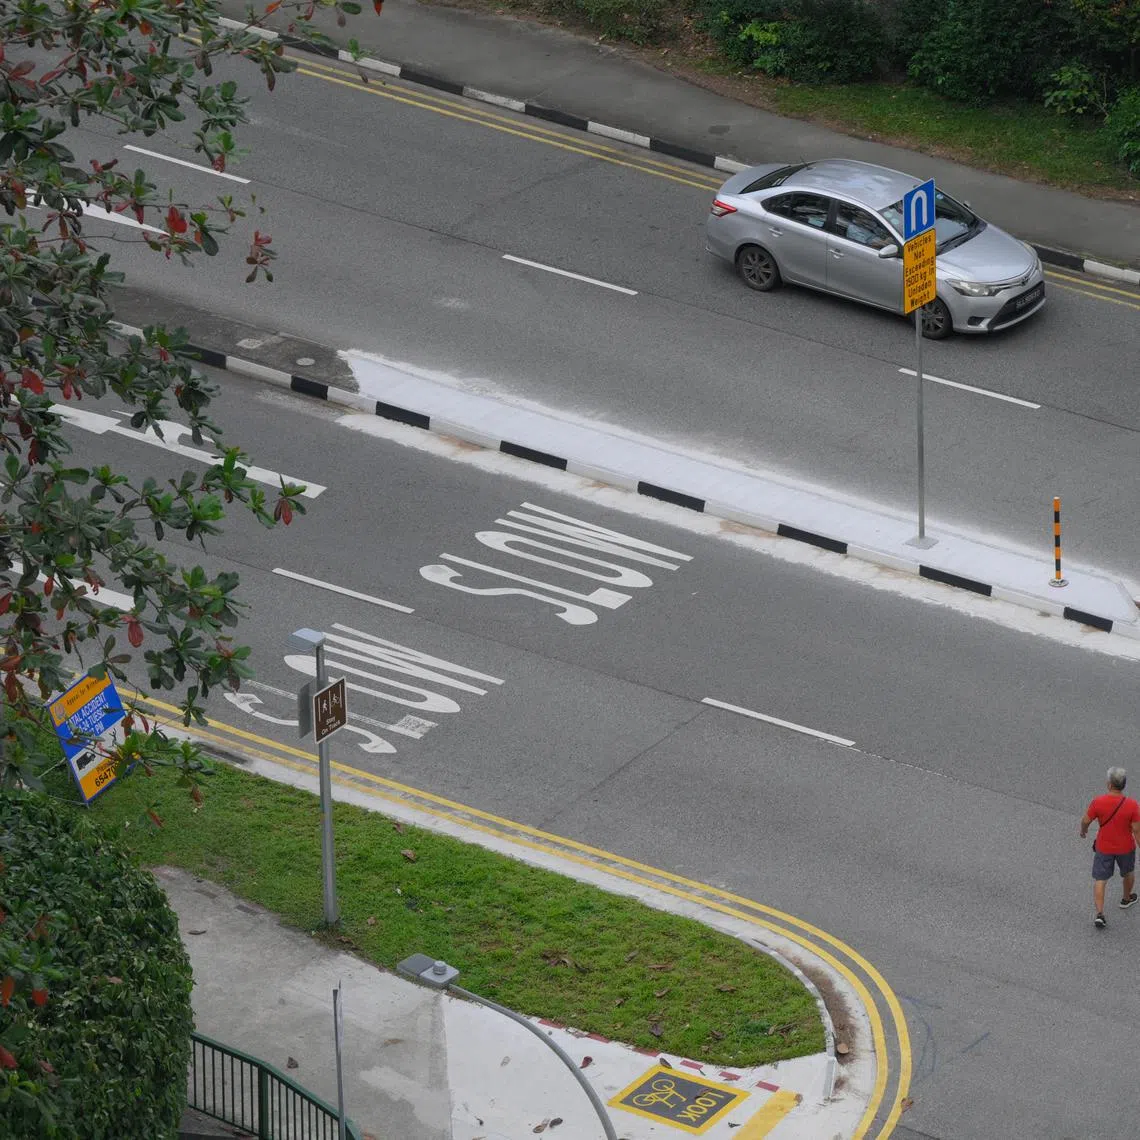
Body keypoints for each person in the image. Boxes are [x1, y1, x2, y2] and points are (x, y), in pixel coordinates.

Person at [1080, 767, 1140, 928]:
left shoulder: (1098, 802)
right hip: (1125, 848)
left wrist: (1083, 831)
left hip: (1104, 847)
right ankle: (1126, 898)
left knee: (1101, 879)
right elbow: (1136, 830)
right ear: (1124, 785)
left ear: (1109, 784)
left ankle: (1100, 914)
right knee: (1128, 872)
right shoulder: (1133, 805)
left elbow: (1086, 820)